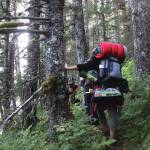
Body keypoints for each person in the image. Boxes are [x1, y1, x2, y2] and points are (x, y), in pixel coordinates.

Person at [65, 42, 128, 141]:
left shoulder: (97, 60)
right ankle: (112, 137)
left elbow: (83, 67)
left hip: (101, 91)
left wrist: (67, 68)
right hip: (115, 90)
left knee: (99, 109)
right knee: (112, 111)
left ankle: (105, 131)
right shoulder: (116, 61)